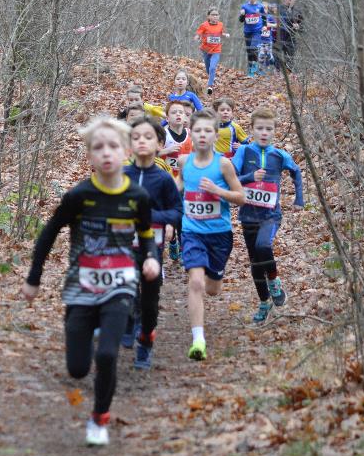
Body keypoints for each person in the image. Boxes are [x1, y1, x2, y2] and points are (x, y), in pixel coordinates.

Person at [23, 114, 160, 446]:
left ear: (126, 151)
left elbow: (146, 236)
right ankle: (86, 327)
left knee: (108, 355)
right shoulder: (79, 196)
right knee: (78, 369)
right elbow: (48, 234)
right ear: (89, 156)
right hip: (81, 286)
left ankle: (99, 418)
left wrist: (152, 257)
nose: (106, 153)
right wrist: (34, 278)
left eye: (113, 146)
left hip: (120, 285)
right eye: (98, 147)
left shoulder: (138, 197)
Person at [177, 110, 246, 360]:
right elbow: (178, 189)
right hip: (192, 232)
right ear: (191, 134)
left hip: (219, 234)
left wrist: (218, 190)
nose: (203, 135)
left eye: (208, 131)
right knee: (195, 282)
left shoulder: (223, 164)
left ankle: (211, 279)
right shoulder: (184, 162)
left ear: (216, 135)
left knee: (213, 289)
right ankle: (198, 340)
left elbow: (241, 197)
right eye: (198, 131)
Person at [231, 107, 304, 322]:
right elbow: (233, 176)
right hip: (247, 214)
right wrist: (249, 177)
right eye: (260, 128)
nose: (264, 132)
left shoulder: (279, 155)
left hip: (271, 215)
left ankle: (274, 282)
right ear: (252, 130)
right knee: (255, 264)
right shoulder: (243, 152)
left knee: (264, 247)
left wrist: (299, 199)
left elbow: (296, 171)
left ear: (274, 131)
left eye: (268, 129)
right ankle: (264, 302)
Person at [123, 116, 183, 369]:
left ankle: (146, 341)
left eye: (148, 137)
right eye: (136, 137)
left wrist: (152, 217)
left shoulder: (163, 179)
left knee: (149, 300)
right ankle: (128, 322)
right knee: (125, 288)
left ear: (160, 144)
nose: (141, 142)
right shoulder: (120, 175)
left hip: (151, 249)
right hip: (122, 246)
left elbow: (177, 212)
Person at [160, 100, 193, 261]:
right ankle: (173, 241)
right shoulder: (162, 134)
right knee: (173, 218)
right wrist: (166, 151)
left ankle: (184, 247)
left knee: (185, 218)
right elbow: (151, 154)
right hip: (167, 184)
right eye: (174, 112)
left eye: (181, 112)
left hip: (186, 183)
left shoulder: (191, 134)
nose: (178, 115)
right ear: (167, 117)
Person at [194, 7, 230, 95]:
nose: (215, 17)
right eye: (213, 15)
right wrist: (197, 37)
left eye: (217, 15)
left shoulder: (221, 25)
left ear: (219, 16)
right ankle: (211, 77)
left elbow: (222, 32)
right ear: (208, 16)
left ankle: (210, 86)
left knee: (212, 67)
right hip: (205, 50)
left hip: (216, 50)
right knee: (208, 68)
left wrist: (225, 34)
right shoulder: (204, 25)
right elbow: (199, 33)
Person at [239, 0, 267, 77]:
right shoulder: (244, 6)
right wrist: (242, 15)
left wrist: (265, 26)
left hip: (257, 31)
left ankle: (254, 67)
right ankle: (251, 70)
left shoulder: (260, 6)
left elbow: (264, 17)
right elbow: (241, 20)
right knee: (249, 51)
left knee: (253, 48)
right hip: (247, 31)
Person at [275, 0, 303, 72]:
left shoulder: (297, 12)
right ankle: (277, 75)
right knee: (278, 59)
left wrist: (298, 26)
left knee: (290, 60)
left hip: (291, 39)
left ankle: (289, 77)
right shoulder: (278, 9)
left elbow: (303, 27)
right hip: (278, 38)